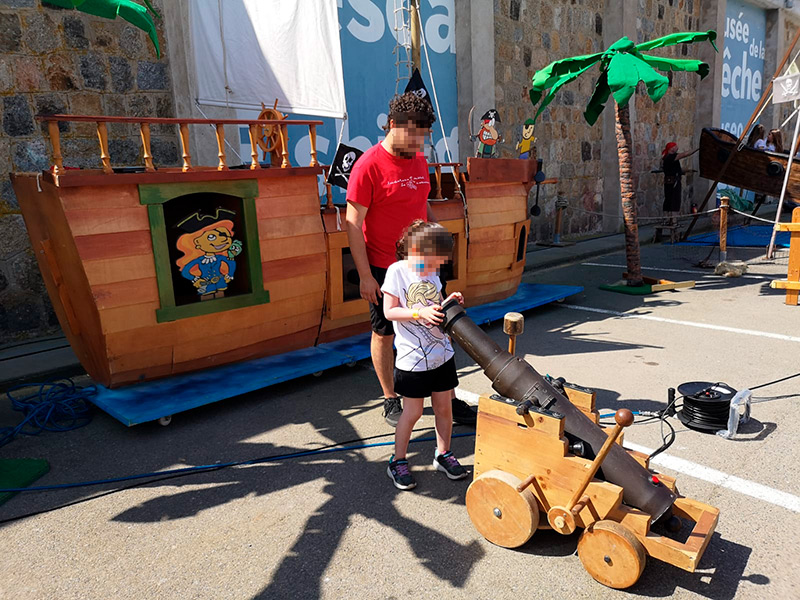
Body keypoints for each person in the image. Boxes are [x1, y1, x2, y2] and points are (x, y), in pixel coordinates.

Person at [346, 92, 477, 428]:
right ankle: (391, 398)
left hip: (424, 263)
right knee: (385, 332)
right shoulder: (368, 167)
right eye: (412, 135)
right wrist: (365, 276)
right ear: (392, 125)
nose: (418, 143)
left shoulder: (419, 160)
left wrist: (438, 239)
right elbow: (352, 225)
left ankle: (446, 394)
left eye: (422, 136)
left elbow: (423, 205)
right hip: (384, 267)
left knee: (437, 325)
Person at [382, 220, 469, 490]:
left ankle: (443, 454)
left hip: (441, 353)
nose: (434, 269)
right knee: (413, 412)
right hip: (413, 359)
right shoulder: (397, 271)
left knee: (445, 408)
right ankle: (397, 461)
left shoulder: (431, 274)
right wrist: (419, 313)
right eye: (431, 262)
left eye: (438, 264)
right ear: (416, 249)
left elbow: (435, 306)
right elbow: (390, 312)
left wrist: (448, 300)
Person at [661, 142, 698, 224]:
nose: (677, 147)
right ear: (672, 148)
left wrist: (684, 171)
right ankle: (673, 220)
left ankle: (666, 219)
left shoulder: (667, 157)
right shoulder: (671, 157)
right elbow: (685, 154)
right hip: (674, 182)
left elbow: (673, 169)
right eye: (675, 146)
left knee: (668, 199)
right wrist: (697, 148)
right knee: (675, 200)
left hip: (669, 181)